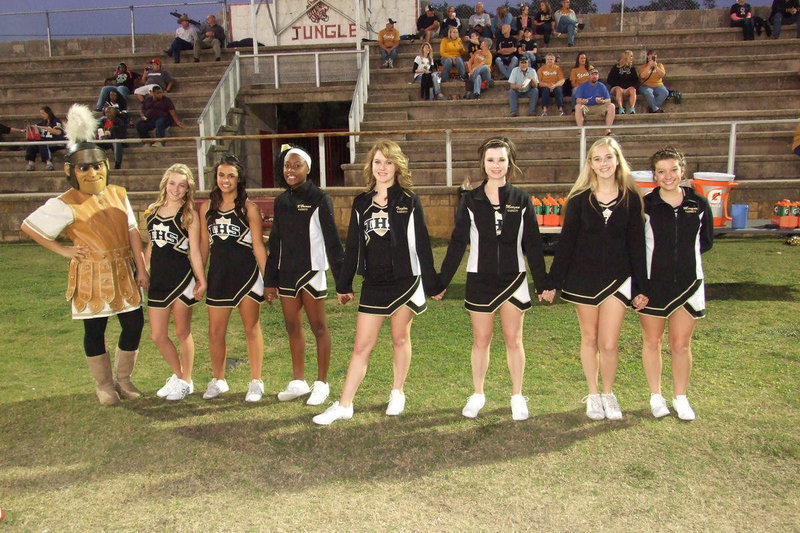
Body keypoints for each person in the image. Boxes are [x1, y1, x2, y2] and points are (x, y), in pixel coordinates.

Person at [20, 104, 148, 406]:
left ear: (105, 165)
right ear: (72, 171)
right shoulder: (65, 201)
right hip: (92, 273)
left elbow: (131, 230)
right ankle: (104, 385)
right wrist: (64, 249)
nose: (92, 172)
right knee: (96, 328)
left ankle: (124, 379)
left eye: (97, 165)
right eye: (85, 167)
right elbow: (30, 227)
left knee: (134, 323)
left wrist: (141, 267)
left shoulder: (118, 193)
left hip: (123, 269)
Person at [312, 139, 444, 425]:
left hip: (405, 280)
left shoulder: (409, 200)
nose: (382, 167)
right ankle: (345, 403)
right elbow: (354, 247)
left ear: (397, 166)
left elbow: (422, 244)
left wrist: (433, 284)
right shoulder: (361, 203)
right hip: (374, 282)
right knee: (361, 346)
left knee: (399, 338)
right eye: (377, 162)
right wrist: (344, 284)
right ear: (370, 167)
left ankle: (397, 391)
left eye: (388, 162)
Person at [439, 137, 551, 420]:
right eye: (490, 160)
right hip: (480, 278)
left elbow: (533, 245)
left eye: (501, 160)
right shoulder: (470, 199)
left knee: (514, 339)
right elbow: (457, 243)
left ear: (509, 162)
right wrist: (441, 282)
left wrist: (545, 283)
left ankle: (517, 395)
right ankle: (478, 393)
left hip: (514, 278)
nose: (496, 165)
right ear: (483, 164)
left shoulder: (522, 199)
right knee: (481, 340)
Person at [544, 137, 648, 421]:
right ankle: (593, 394)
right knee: (589, 338)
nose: (603, 163)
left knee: (609, 343)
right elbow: (566, 245)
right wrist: (553, 281)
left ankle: (609, 393)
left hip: (617, 279)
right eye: (597, 158)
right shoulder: (578, 200)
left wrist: (640, 286)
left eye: (608, 157)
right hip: (583, 279)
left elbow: (637, 247)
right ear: (590, 163)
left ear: (618, 161)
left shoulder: (631, 198)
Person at [638, 148, 713, 421]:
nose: (668, 176)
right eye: (661, 171)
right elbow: (636, 247)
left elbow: (705, 242)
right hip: (653, 285)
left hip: (689, 282)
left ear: (683, 170)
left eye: (673, 170)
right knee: (652, 341)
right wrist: (640, 287)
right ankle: (656, 396)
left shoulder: (699, 204)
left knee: (681, 344)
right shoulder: (645, 205)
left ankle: (681, 397)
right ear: (654, 175)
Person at [265, 145, 343, 406]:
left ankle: (321, 383)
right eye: (288, 165)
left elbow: (332, 241)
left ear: (308, 169)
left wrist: (343, 282)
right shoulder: (281, 201)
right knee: (292, 327)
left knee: (319, 327)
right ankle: (298, 381)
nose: (291, 170)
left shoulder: (320, 198)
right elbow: (274, 242)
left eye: (297, 165)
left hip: (312, 271)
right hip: (287, 274)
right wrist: (270, 280)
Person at [199, 155, 267, 402]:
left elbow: (259, 246)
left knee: (251, 328)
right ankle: (218, 380)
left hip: (246, 275)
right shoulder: (206, 208)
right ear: (215, 178)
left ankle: (256, 381)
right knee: (215, 331)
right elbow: (204, 247)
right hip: (218, 275)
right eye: (221, 175)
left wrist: (268, 279)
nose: (225, 180)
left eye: (230, 176)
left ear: (239, 179)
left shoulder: (249, 208)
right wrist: (200, 277)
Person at [146, 164, 207, 401]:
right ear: (165, 183)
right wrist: (142, 270)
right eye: (172, 183)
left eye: (182, 185)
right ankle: (178, 375)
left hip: (182, 280)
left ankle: (186, 380)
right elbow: (151, 246)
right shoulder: (151, 211)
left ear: (187, 188)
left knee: (182, 332)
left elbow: (194, 252)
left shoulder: (188, 215)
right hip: (159, 281)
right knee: (157, 335)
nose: (176, 188)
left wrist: (201, 280)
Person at [573, 68, 615, 136]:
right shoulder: (583, 86)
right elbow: (578, 100)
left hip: (599, 107)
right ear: (589, 76)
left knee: (611, 106)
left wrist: (602, 101)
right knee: (577, 107)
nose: (594, 76)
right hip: (587, 108)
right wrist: (583, 101)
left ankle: (608, 130)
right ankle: (580, 130)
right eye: (592, 74)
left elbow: (608, 100)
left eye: (596, 74)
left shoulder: (601, 86)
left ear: (598, 76)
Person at [25, 106, 65, 172]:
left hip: (55, 142)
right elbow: (36, 127)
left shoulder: (56, 121)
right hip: (44, 142)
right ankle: (31, 163)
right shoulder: (43, 122)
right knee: (32, 144)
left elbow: (58, 132)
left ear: (48, 113)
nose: (41, 115)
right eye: (40, 114)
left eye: (43, 113)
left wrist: (44, 128)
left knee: (42, 143)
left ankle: (49, 163)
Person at [607, 50, 639, 114]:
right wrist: (618, 85)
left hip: (627, 89)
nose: (632, 58)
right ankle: (621, 108)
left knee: (633, 90)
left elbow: (636, 80)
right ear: (626, 57)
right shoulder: (615, 67)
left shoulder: (632, 68)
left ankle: (632, 108)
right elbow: (609, 80)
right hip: (616, 88)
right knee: (618, 89)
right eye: (631, 56)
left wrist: (630, 86)